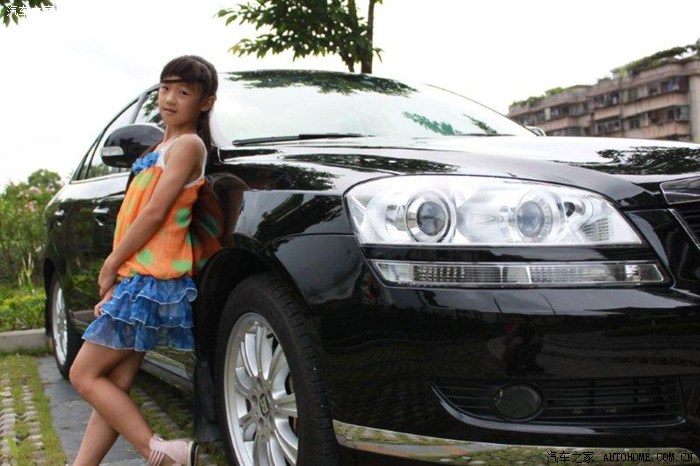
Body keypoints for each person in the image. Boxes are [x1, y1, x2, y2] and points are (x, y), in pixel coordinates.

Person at [68, 55, 218, 466]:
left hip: (151, 279)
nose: (170, 99)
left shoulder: (188, 145)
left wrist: (110, 265)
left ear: (205, 102)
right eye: (165, 88)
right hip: (138, 277)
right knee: (113, 383)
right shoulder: (160, 148)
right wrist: (119, 275)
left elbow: (154, 214)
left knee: (83, 374)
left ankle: (162, 452)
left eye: (183, 92)